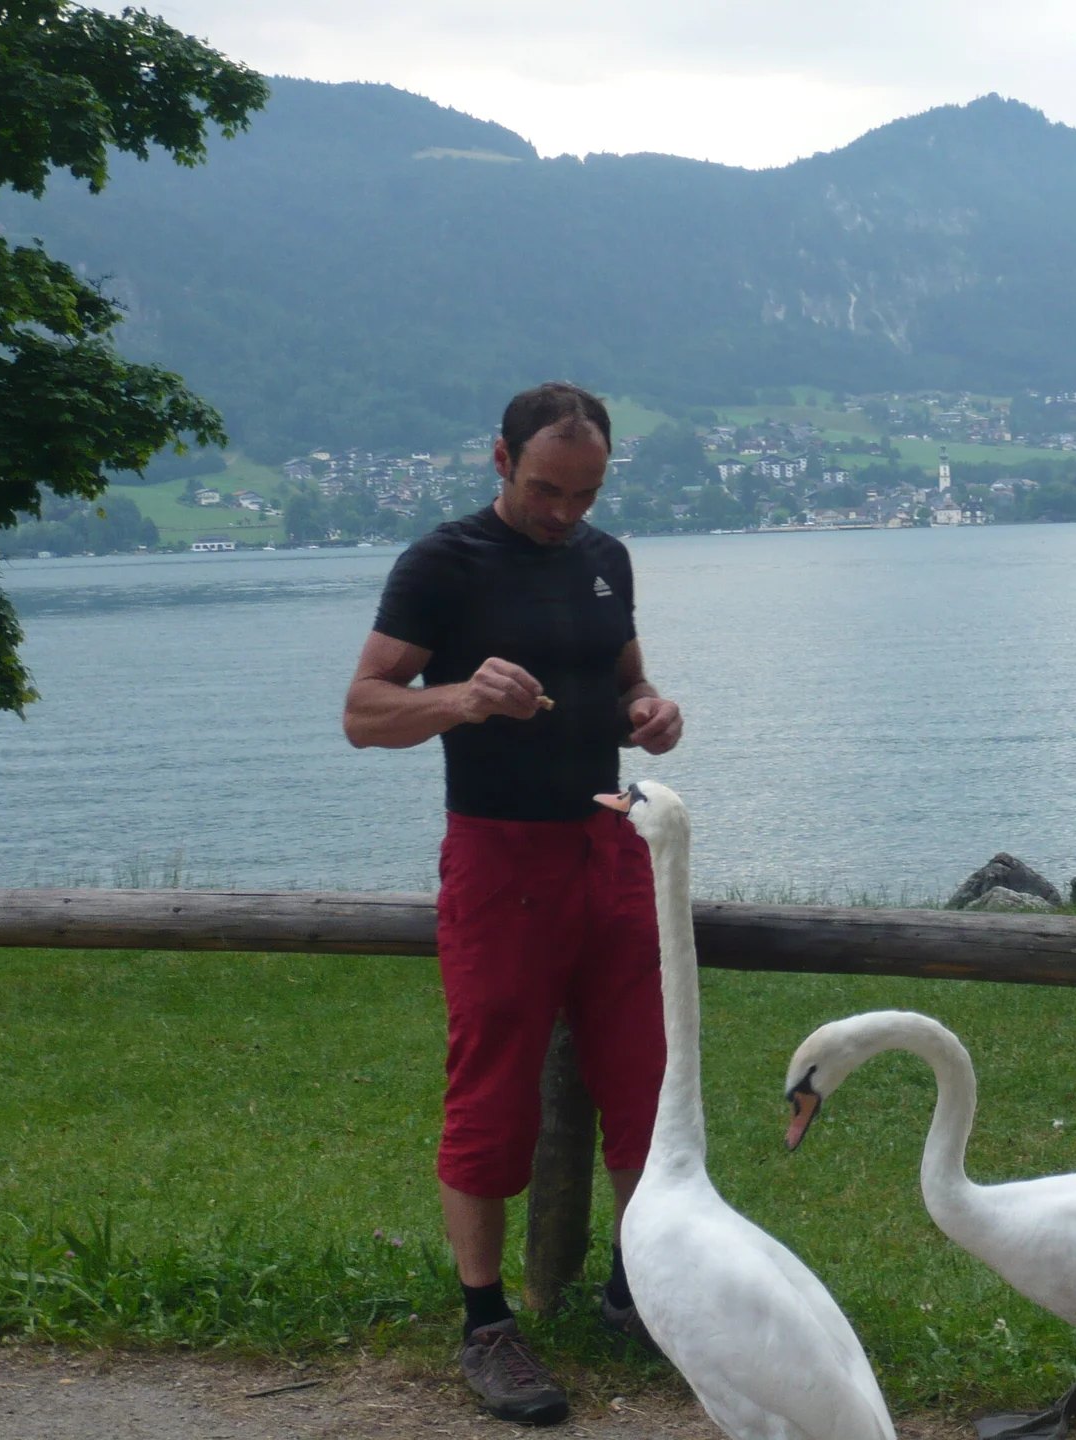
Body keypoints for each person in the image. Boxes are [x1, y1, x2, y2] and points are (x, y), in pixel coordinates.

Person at [343, 382, 683, 1427]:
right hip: (498, 862)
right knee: (494, 1092)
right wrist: (462, 698)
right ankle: (486, 1322)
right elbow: (364, 713)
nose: (564, 512)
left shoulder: (603, 558)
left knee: (651, 1084)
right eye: (546, 489)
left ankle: (643, 1291)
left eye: (584, 492)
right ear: (500, 460)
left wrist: (651, 710)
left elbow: (624, 679)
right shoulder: (443, 564)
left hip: (612, 847)